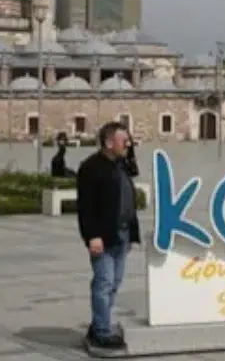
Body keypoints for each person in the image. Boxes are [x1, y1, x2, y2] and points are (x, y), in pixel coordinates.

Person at [76, 122, 142, 350]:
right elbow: (86, 206)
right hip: (103, 237)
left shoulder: (120, 165)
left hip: (121, 235)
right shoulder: (91, 168)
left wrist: (132, 234)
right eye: (124, 141)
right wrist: (92, 236)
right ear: (109, 143)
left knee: (114, 283)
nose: (128, 145)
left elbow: (132, 183)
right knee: (103, 283)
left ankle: (98, 325)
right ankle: (102, 332)